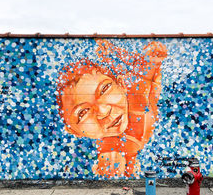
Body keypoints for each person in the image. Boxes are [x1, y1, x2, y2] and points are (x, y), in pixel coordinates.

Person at [57, 39, 167, 178]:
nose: (103, 112)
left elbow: (153, 54)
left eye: (104, 89)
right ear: (72, 130)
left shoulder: (140, 94)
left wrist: (117, 52)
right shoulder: (109, 149)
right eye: (83, 112)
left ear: (121, 84)